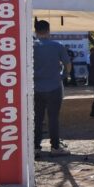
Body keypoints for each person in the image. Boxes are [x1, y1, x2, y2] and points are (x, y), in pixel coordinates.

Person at [33, 20, 71, 157]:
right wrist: (63, 75)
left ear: (35, 31)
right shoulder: (57, 46)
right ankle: (55, 147)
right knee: (53, 118)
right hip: (54, 86)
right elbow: (67, 64)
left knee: (37, 118)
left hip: (36, 87)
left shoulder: (31, 46)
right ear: (48, 30)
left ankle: (35, 148)